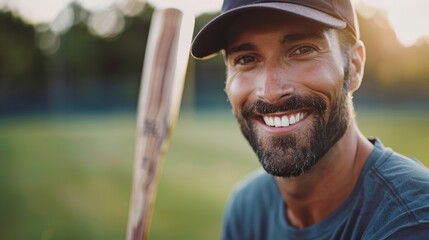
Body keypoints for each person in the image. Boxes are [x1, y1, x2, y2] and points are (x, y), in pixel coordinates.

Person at [191, 0, 429, 239]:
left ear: (354, 66)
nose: (271, 91)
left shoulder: (411, 222)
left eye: (302, 50)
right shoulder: (247, 208)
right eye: (245, 59)